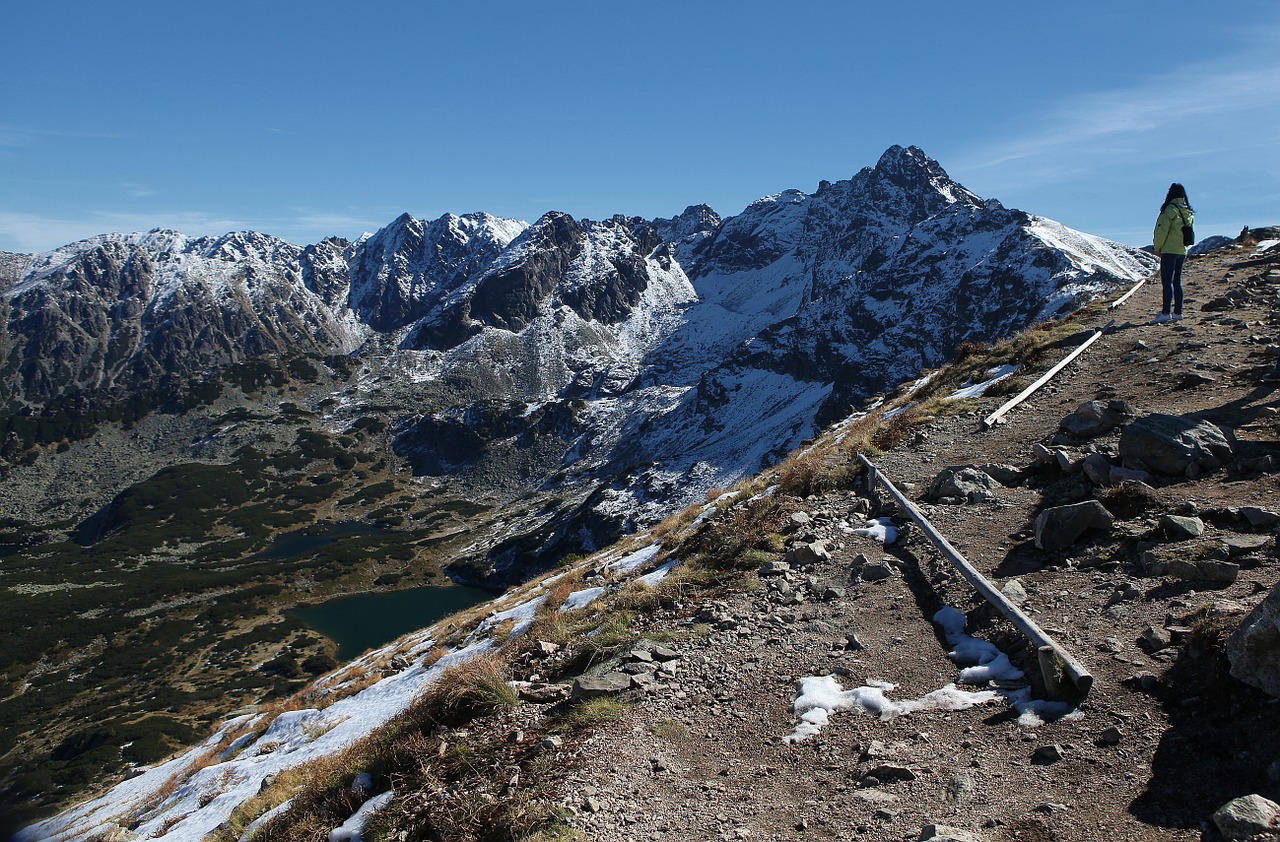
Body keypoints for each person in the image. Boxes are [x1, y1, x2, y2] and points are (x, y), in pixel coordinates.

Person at [1151, 183, 1194, 323]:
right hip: (1182, 251)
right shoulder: (1188, 212)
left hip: (1169, 250)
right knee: (1177, 282)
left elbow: (1161, 231)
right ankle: (1178, 312)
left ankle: (1165, 313)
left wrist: (1158, 247)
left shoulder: (1169, 210)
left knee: (1167, 282)